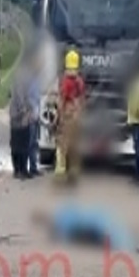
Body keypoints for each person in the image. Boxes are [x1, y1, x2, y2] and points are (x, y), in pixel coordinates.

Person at [54, 49, 86, 184]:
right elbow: (82, 99)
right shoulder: (80, 81)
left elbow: (62, 100)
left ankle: (60, 173)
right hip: (77, 116)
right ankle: (74, 172)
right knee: (74, 145)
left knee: (62, 145)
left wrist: (58, 117)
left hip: (67, 115)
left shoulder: (66, 81)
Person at [9, 57, 33, 179]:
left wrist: (30, 110)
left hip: (24, 116)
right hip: (17, 116)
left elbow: (27, 97)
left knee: (24, 143)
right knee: (17, 144)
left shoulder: (25, 79)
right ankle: (18, 169)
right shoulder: (18, 79)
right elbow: (19, 96)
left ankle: (23, 169)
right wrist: (25, 110)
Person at [26, 54, 41, 177]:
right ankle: (25, 169)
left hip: (36, 114)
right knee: (28, 142)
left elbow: (37, 98)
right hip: (29, 114)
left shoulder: (37, 79)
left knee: (34, 142)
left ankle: (34, 167)